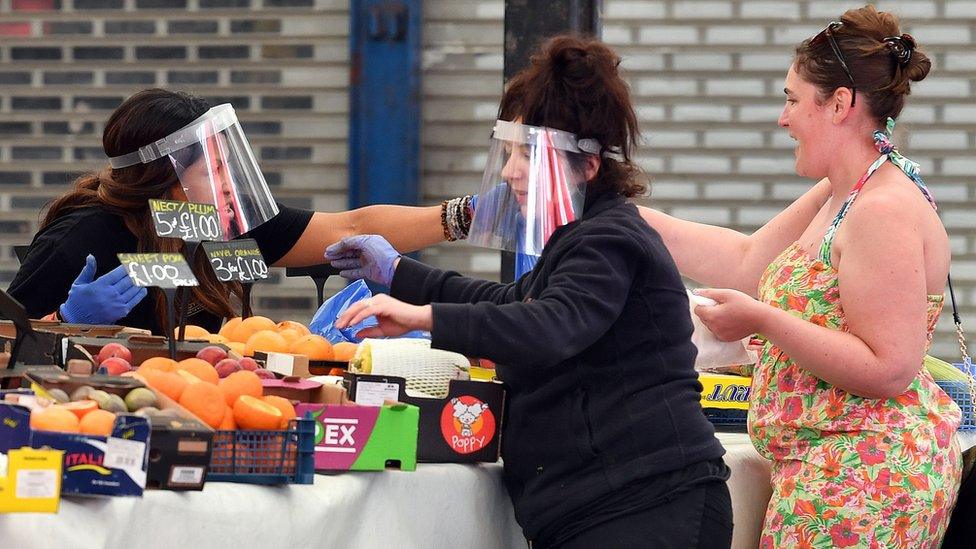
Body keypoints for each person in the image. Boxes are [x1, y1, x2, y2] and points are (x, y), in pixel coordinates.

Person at [328, 36, 733, 548]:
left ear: (588, 166)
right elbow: (513, 303)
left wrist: (425, 316)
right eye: (510, 151)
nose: (510, 172)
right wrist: (398, 274)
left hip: (645, 509)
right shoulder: (580, 239)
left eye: (531, 154)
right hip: (600, 511)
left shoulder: (608, 240)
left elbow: (547, 326)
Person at [639, 5, 961, 547]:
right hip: (829, 469)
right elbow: (745, 262)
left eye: (791, 100)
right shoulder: (845, 190)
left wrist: (763, 321)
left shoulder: (881, 209)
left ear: (839, 104)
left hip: (865, 479)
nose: (782, 118)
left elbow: (889, 367)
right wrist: (619, 215)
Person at [8, 89, 473, 334]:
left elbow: (352, 227)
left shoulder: (222, 225)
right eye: (213, 167)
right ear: (165, 175)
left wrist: (467, 215)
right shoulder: (84, 236)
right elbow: (8, 347)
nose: (228, 181)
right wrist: (66, 320)